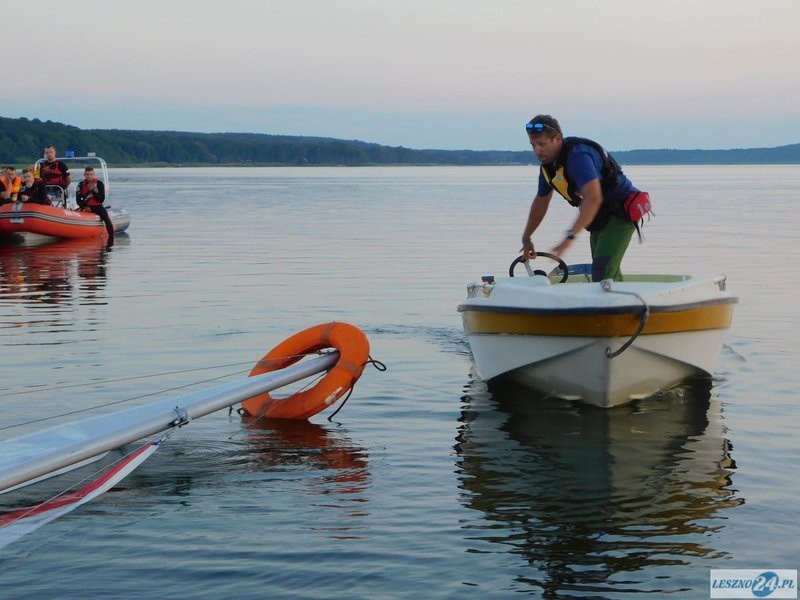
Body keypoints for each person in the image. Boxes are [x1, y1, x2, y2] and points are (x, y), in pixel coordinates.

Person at [520, 114, 650, 282]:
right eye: (533, 145)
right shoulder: (548, 168)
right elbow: (541, 201)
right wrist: (526, 237)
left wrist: (569, 238)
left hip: (620, 212)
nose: (537, 151)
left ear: (558, 139)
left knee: (602, 272)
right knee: (604, 270)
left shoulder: (578, 156)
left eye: (542, 144)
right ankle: (626, 303)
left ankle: (617, 306)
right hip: (597, 217)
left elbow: (593, 197)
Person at [76, 166, 114, 244]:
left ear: (94, 175)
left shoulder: (99, 184)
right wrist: (85, 207)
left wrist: (93, 190)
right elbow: (78, 199)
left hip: (97, 206)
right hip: (85, 205)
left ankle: (111, 237)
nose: (89, 176)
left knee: (106, 219)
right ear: (84, 175)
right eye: (87, 174)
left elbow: (101, 199)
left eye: (90, 174)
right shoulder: (80, 185)